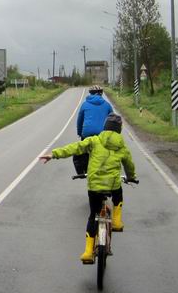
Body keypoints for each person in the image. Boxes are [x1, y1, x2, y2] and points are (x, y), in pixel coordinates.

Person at [40, 114, 137, 264]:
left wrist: (54, 154)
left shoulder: (94, 140)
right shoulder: (122, 146)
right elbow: (129, 164)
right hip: (112, 184)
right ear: (119, 130)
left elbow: (75, 148)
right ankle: (117, 221)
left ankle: (87, 252)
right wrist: (131, 176)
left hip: (94, 186)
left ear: (104, 127)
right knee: (118, 193)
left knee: (93, 215)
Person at [72, 84, 113, 176]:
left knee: (84, 151)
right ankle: (108, 166)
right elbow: (113, 120)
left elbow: (80, 120)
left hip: (87, 133)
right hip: (102, 134)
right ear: (101, 94)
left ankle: (84, 171)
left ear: (90, 94)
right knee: (108, 149)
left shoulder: (84, 104)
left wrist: (80, 132)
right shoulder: (107, 105)